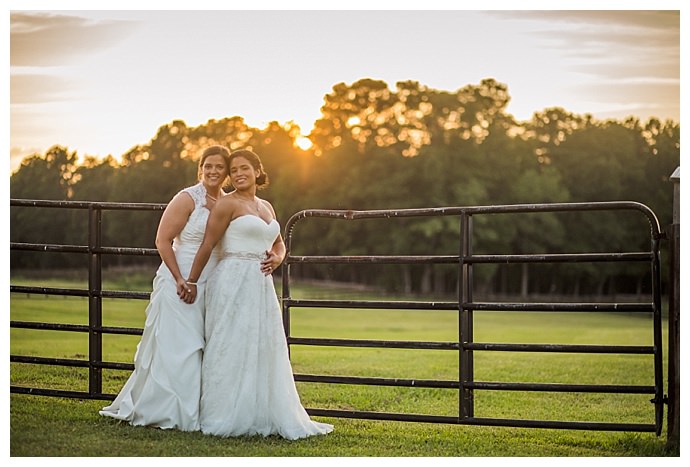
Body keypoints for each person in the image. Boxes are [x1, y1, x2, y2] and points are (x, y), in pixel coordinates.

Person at [182, 149, 333, 440]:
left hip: (261, 285)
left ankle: (261, 411)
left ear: (257, 171)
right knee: (231, 343)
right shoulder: (226, 205)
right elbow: (206, 245)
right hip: (232, 279)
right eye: (234, 170)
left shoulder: (266, 207)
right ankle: (224, 412)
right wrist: (191, 281)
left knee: (264, 344)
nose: (238, 174)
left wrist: (277, 258)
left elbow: (278, 243)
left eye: (244, 169)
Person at [100, 145, 232, 431]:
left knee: (205, 346)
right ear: (201, 168)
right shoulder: (187, 198)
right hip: (180, 278)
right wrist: (180, 279)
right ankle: (171, 411)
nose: (213, 171)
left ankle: (198, 410)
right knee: (180, 345)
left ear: (227, 172)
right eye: (208, 165)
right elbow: (162, 241)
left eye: (219, 167)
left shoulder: (228, 202)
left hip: (213, 281)